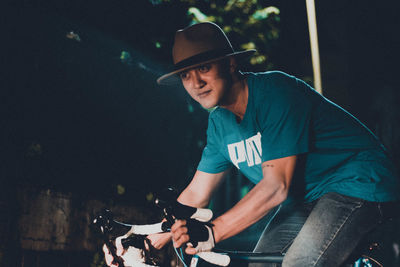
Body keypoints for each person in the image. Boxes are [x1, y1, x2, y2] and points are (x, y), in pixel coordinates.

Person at [107, 22, 400, 266]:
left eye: (204, 68)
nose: (195, 82)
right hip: (306, 198)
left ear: (231, 63)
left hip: (358, 182)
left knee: (299, 264)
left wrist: (213, 231)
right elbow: (196, 193)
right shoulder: (219, 123)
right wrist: (148, 242)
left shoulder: (276, 93)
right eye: (186, 75)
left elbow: (276, 187)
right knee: (260, 264)